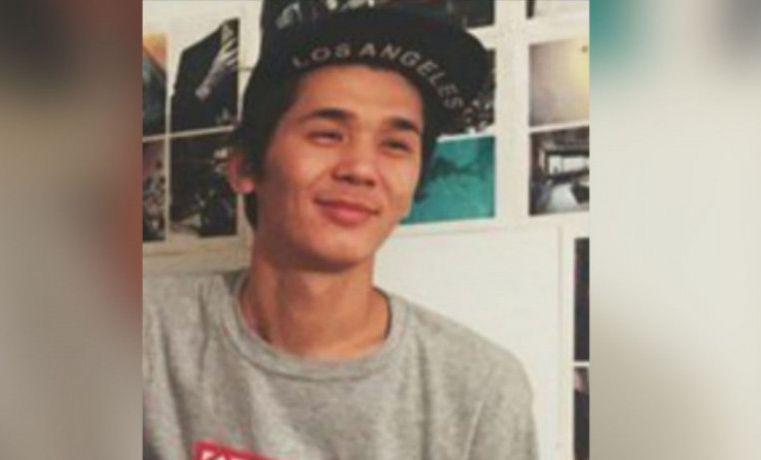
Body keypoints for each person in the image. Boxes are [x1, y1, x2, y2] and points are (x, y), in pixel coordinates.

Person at [144, 2, 538, 459]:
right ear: (245, 166)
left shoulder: (479, 393)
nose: (361, 169)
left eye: (396, 145)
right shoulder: (142, 338)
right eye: (327, 134)